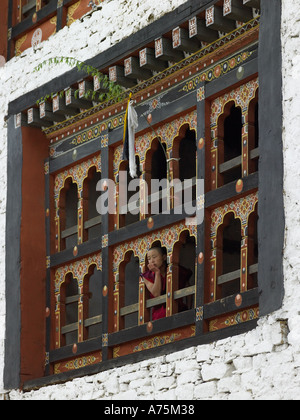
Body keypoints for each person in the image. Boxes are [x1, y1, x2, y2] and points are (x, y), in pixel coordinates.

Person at [141, 247, 167, 320]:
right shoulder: (147, 276)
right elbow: (156, 293)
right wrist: (157, 273)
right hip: (159, 315)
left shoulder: (172, 270)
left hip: (176, 310)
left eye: (154, 257)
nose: (151, 261)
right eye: (149, 259)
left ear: (164, 257)